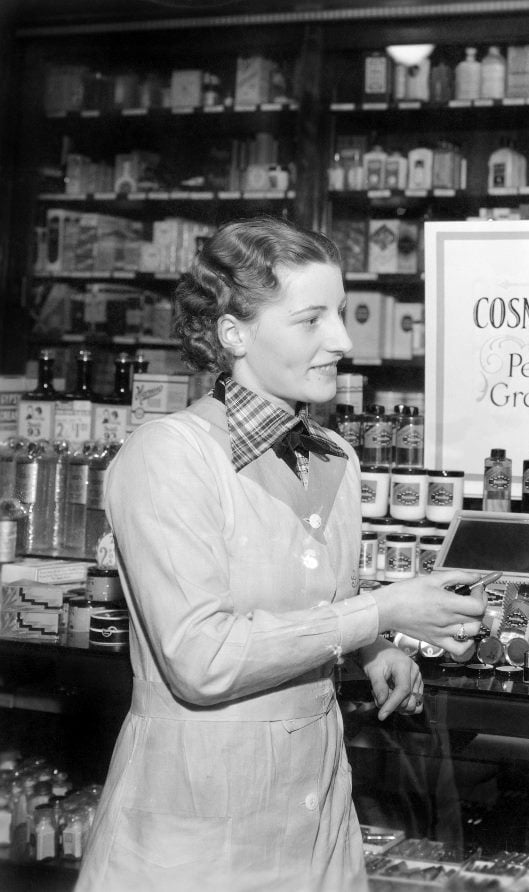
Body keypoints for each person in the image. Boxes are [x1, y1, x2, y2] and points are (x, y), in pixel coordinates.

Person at [77, 216, 487, 892]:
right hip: (196, 834)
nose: (344, 340)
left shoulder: (336, 456)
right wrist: (379, 613)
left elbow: (310, 601)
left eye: (341, 314)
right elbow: (201, 661)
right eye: (311, 320)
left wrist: (371, 650)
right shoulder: (167, 457)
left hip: (318, 823)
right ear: (234, 334)